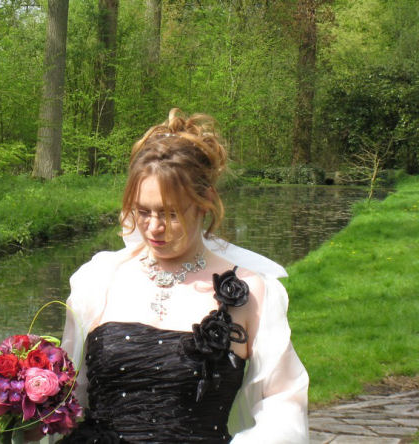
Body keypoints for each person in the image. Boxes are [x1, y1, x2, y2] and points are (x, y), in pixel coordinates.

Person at [58, 109, 309, 443]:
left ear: (205, 203)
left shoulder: (251, 292)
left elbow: (283, 401)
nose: (153, 227)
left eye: (170, 214)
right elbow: (69, 399)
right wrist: (26, 414)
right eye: (143, 211)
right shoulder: (97, 280)